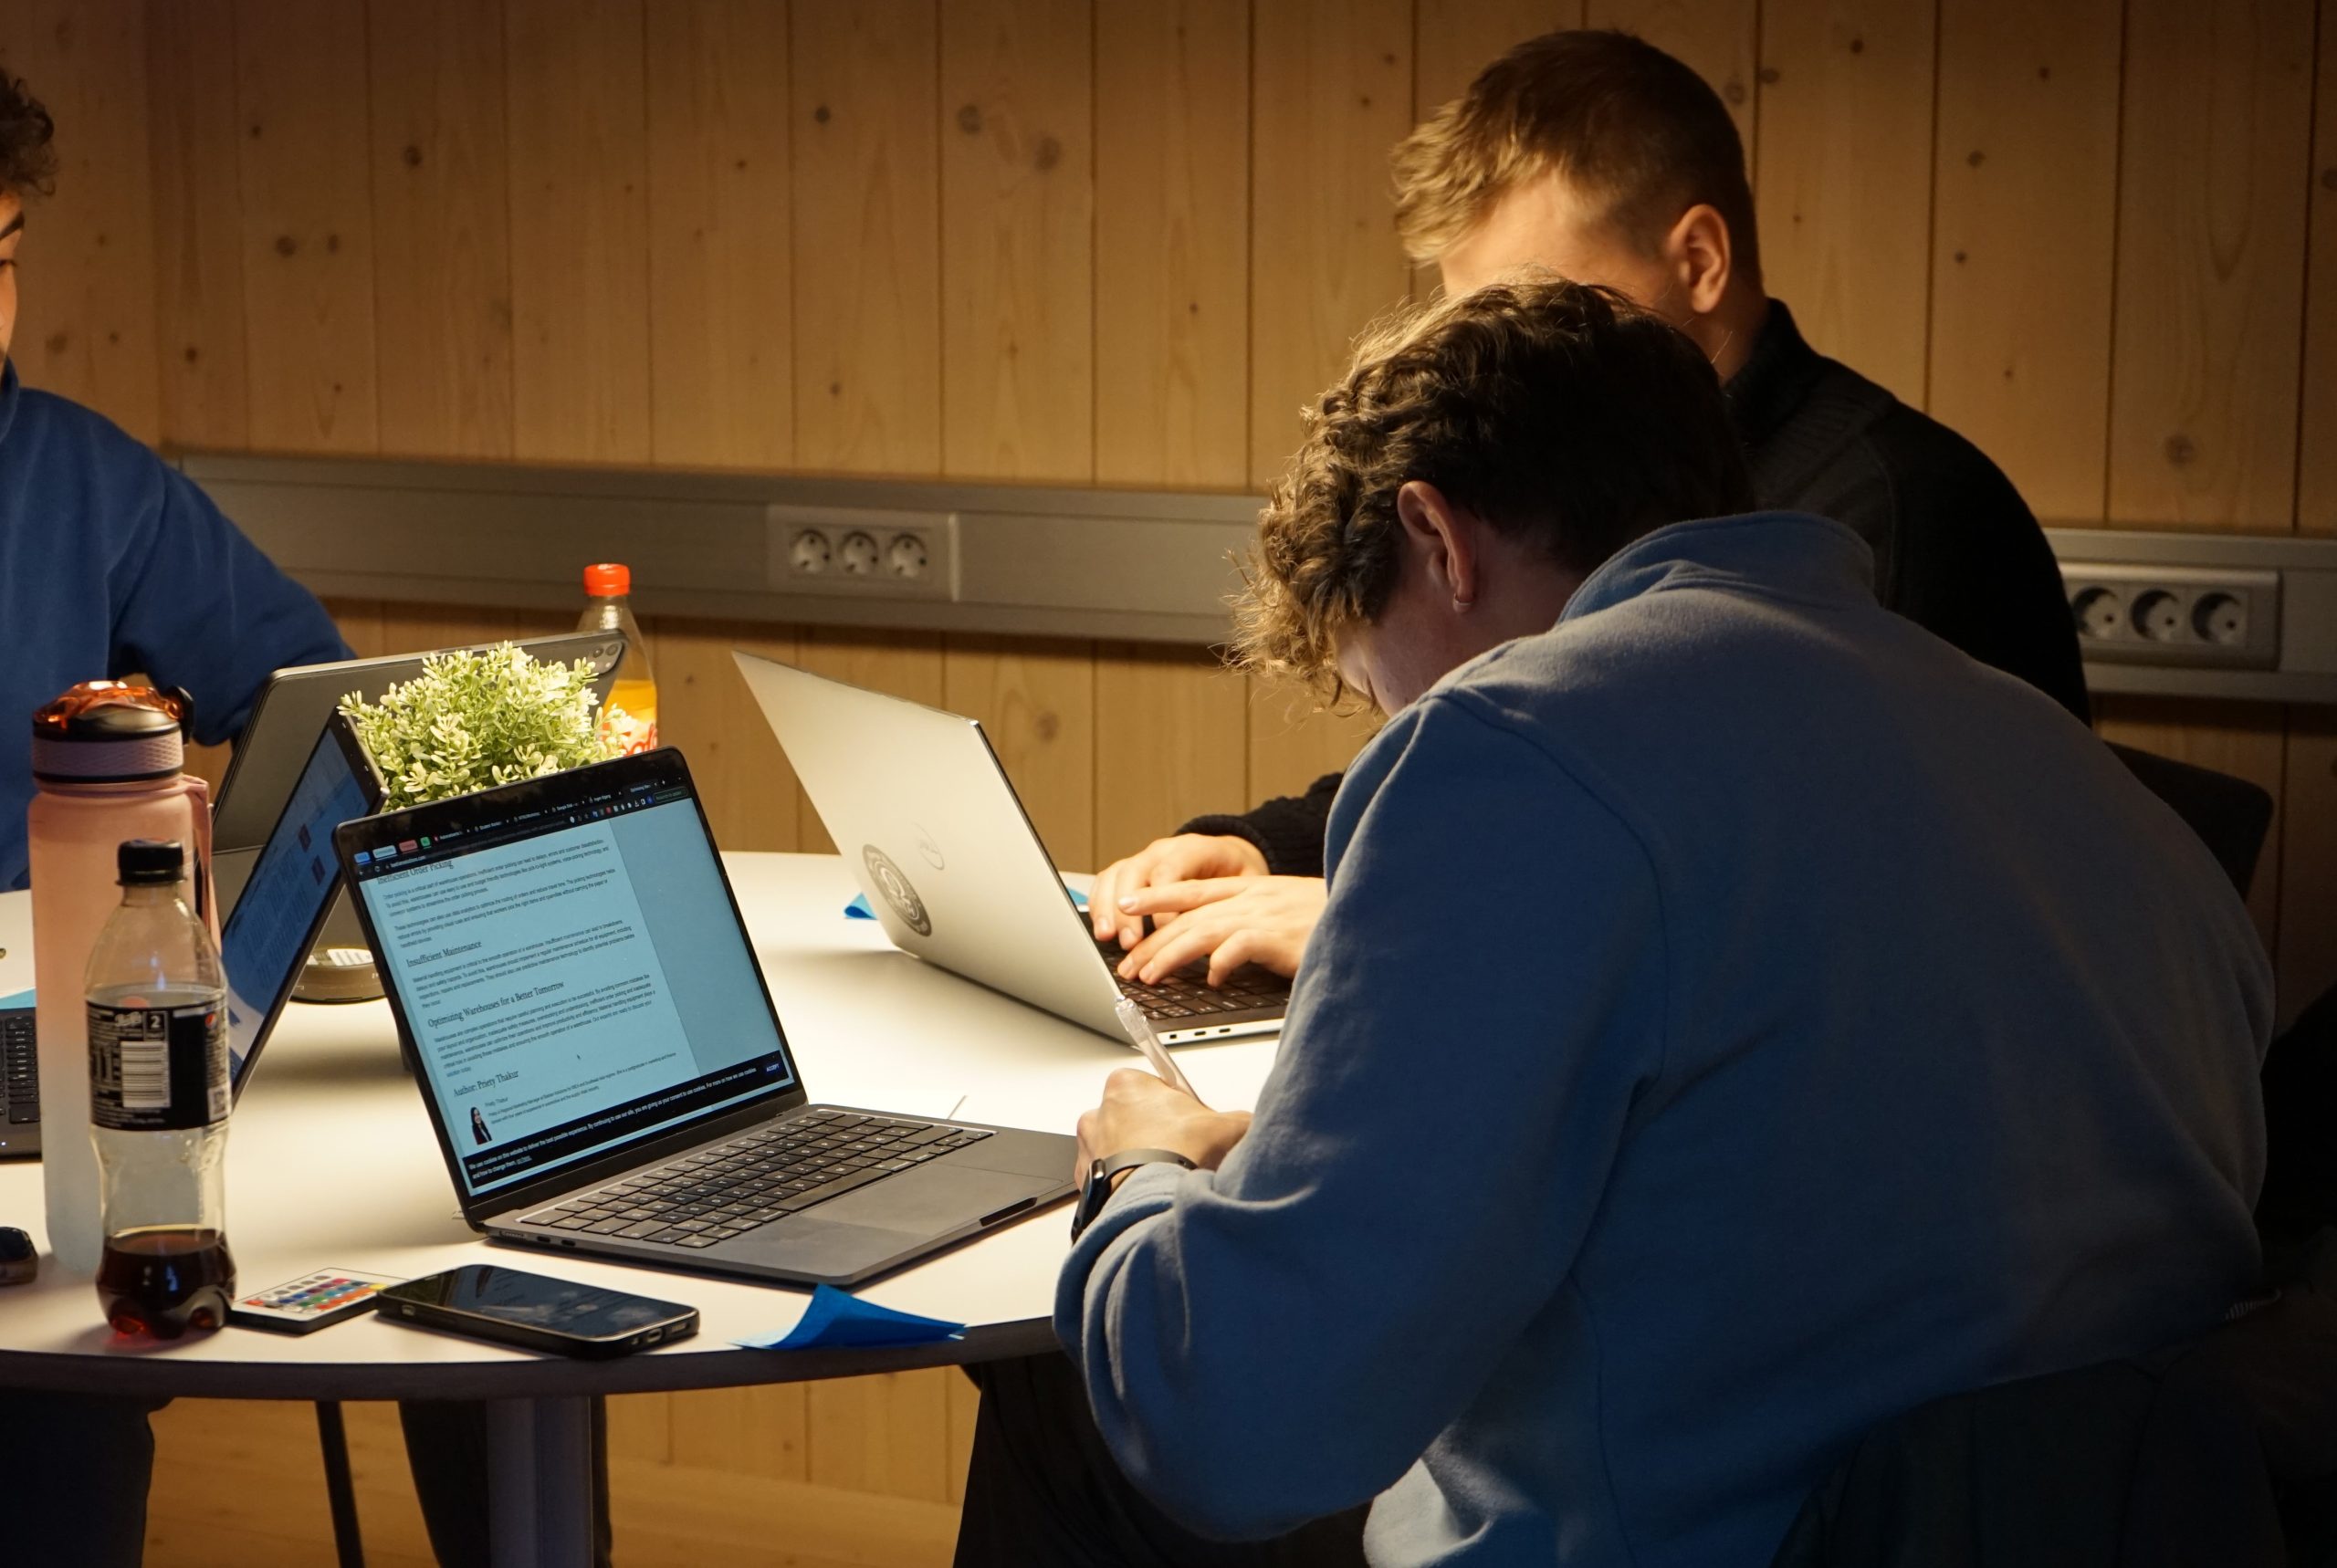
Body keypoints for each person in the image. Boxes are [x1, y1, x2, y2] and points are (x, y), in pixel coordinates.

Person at [956, 278, 2269, 1565]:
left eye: (1374, 691)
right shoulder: (2067, 769)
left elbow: (1238, 1422)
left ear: (1439, 538)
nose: (1390, 733)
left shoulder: (1509, 742)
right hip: (2076, 1513)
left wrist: (1143, 1174)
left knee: (1086, 1397)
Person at [1090, 28, 2090, 989]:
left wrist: (1389, 917)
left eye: (1541, 298)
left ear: (1697, 259)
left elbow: (1761, 897)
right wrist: (1263, 849)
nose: (1502, 349)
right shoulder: (1575, 482)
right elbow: (1503, 762)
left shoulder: (1894, 519)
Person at [0, 73, 606, 1568]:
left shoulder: (72, 474)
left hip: (72, 1058)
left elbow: (313, 704)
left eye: (2, 253)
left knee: (454, 1223)